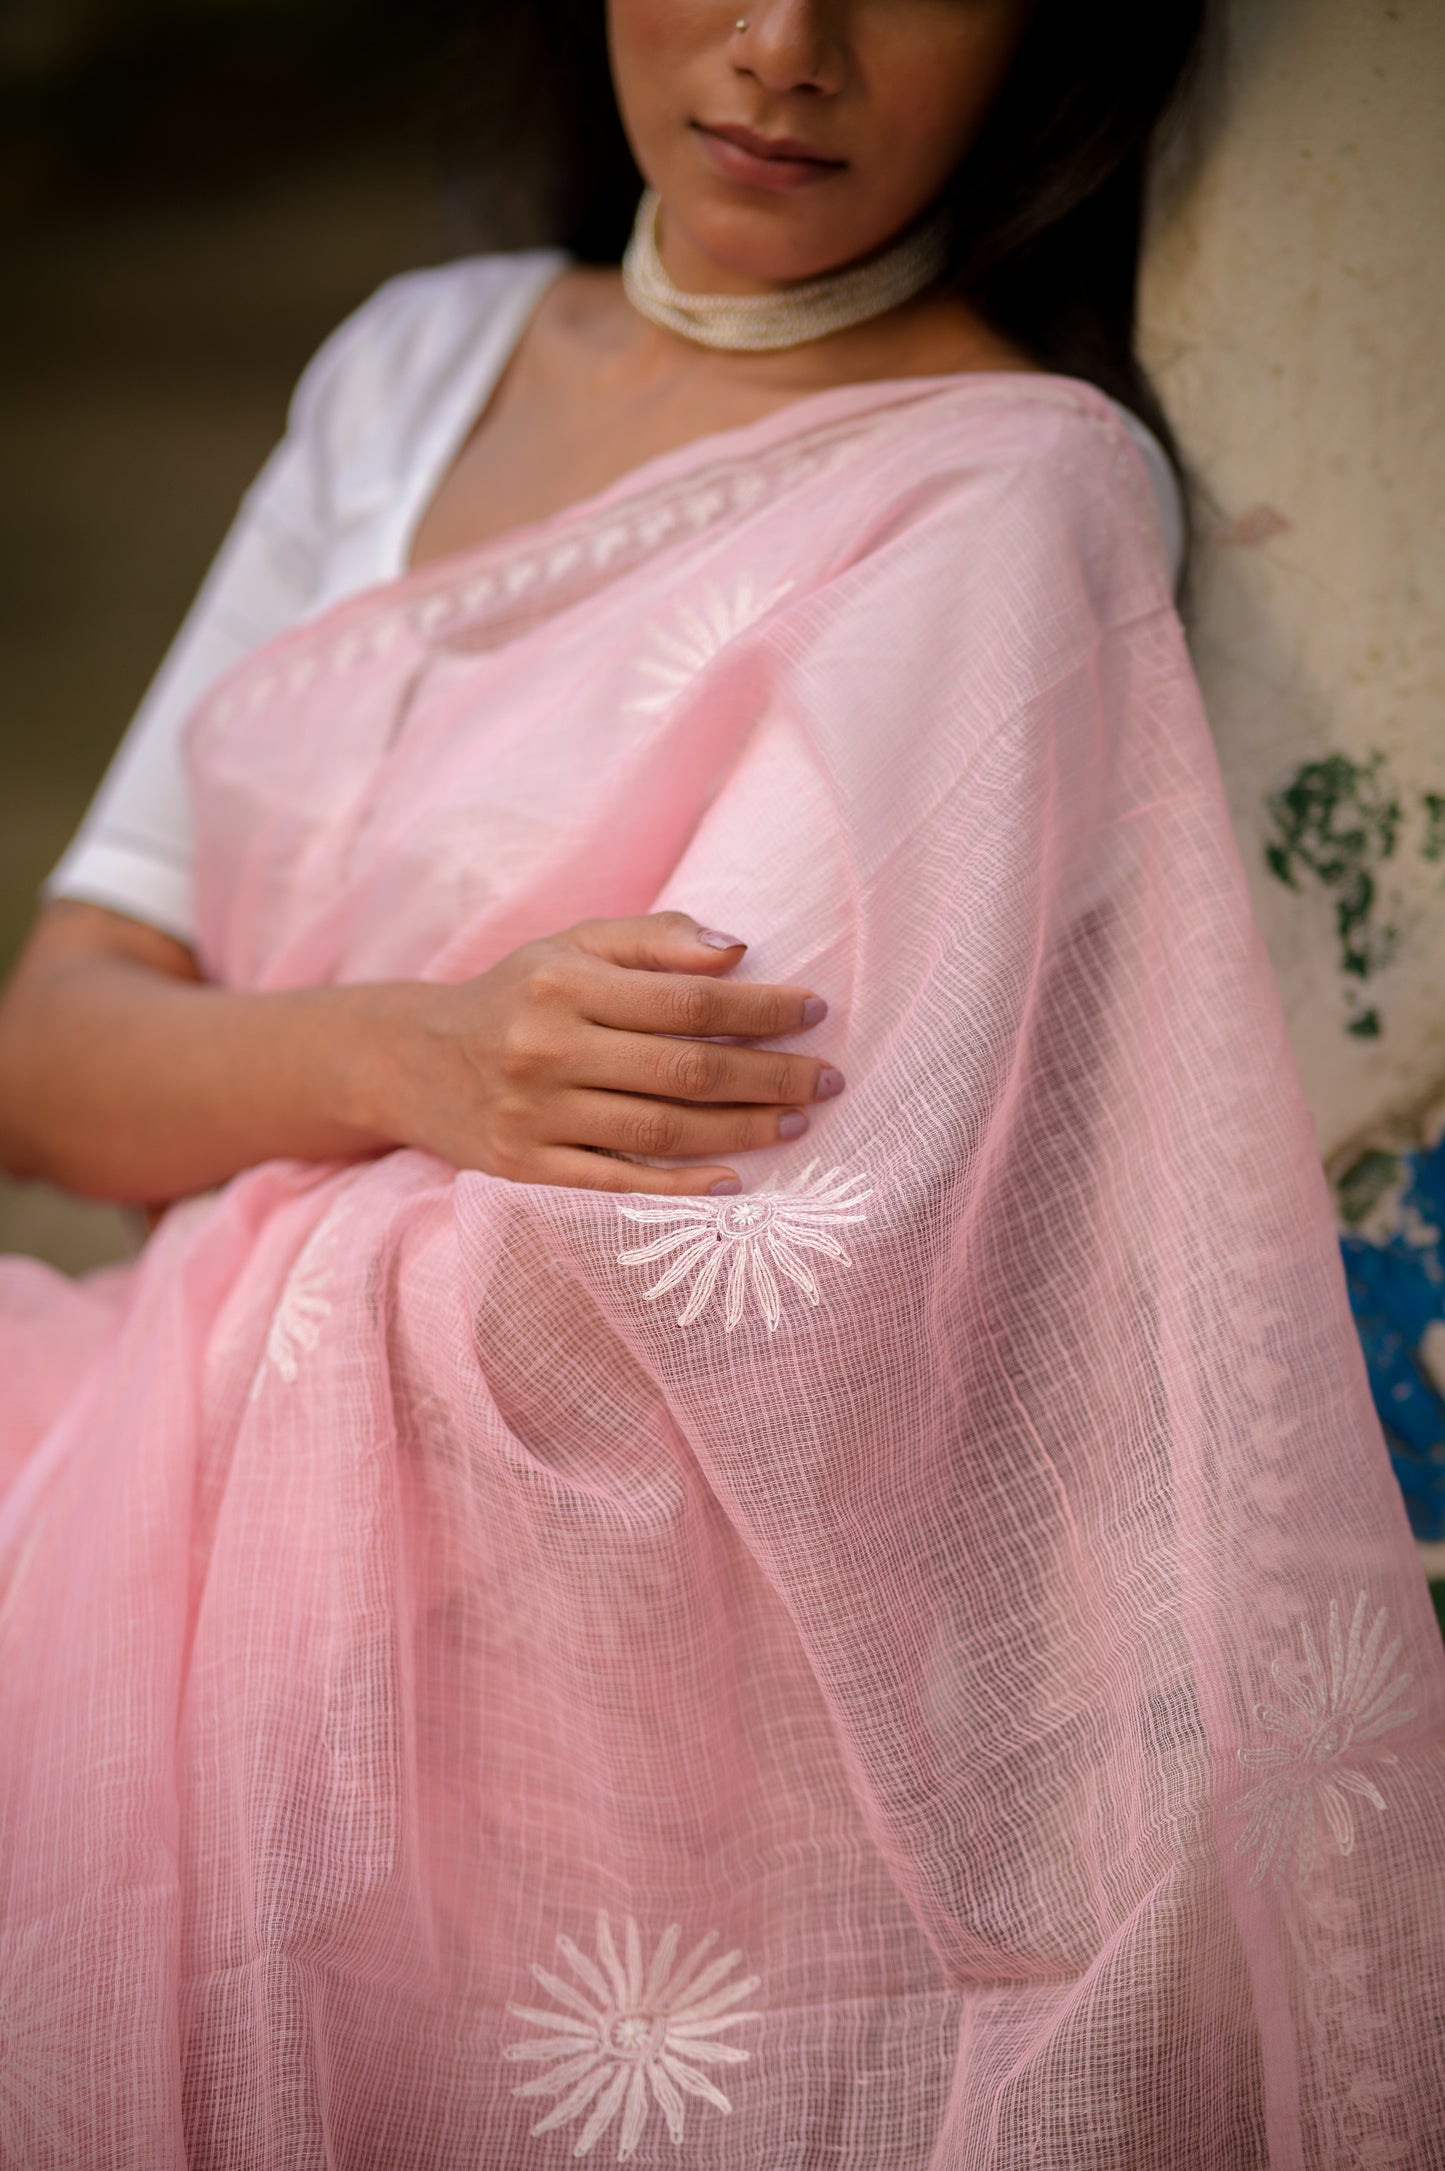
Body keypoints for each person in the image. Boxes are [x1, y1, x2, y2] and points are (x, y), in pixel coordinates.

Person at [0, 2, 1441, 2164]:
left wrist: (253, 1102)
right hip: (157, 1505)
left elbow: (647, 1289)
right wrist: (416, 1054)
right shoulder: (423, 361)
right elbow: (47, 1054)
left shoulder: (1001, 494)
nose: (786, 47)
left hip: (575, 1740)